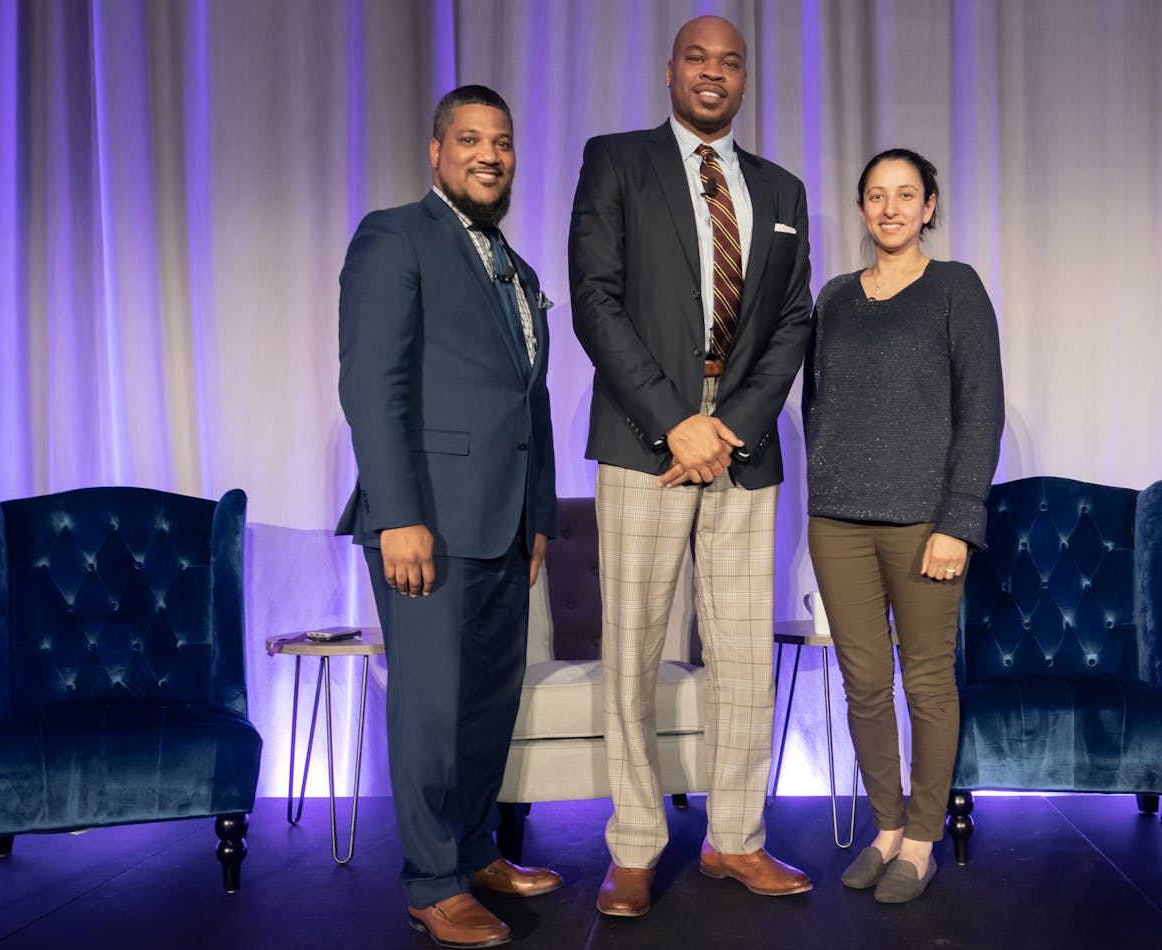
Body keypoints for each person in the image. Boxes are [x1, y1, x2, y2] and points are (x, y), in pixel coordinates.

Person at [569, 14, 814, 917]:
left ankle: (736, 840)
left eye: (731, 62)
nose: (714, 74)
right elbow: (594, 300)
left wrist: (732, 424)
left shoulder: (781, 187)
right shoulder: (616, 161)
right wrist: (675, 420)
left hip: (744, 451)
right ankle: (634, 846)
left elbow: (793, 323)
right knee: (632, 646)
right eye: (698, 58)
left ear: (745, 79)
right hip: (645, 438)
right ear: (671, 70)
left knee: (747, 654)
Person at [337, 84, 560, 949]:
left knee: (484, 707)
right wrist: (397, 513)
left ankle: (472, 851)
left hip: (504, 525)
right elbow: (372, 384)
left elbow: (527, 401)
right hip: (424, 520)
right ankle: (432, 883)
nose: (489, 155)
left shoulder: (515, 266)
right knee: (431, 710)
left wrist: (538, 512)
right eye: (469, 139)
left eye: (501, 142)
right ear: (437, 151)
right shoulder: (395, 236)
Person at [803, 148, 1004, 904]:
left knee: (924, 679)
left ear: (929, 206)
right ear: (862, 208)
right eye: (876, 196)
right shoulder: (834, 297)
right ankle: (884, 827)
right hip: (838, 521)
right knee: (862, 683)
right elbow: (816, 401)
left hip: (925, 522)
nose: (890, 208)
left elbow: (981, 411)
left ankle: (921, 839)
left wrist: (958, 520)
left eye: (906, 195)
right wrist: (824, 482)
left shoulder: (955, 289)